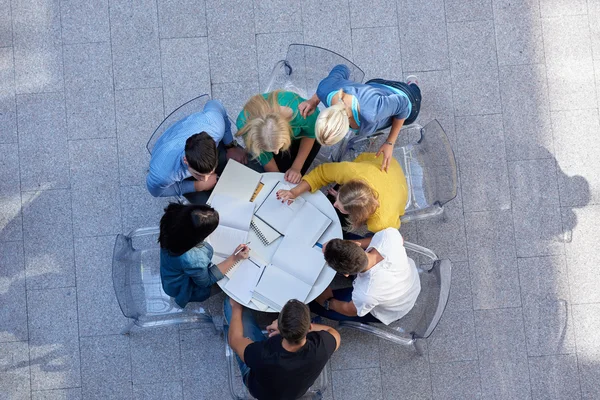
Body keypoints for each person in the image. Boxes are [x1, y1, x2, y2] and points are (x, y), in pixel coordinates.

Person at [298, 64, 421, 171]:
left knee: (414, 93)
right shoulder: (324, 90)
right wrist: (313, 100)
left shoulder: (372, 112)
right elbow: (342, 68)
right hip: (375, 85)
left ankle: (413, 84)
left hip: (405, 96)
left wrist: (390, 142)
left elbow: (404, 104)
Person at [225, 297, 341, 400]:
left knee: (230, 304)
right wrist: (299, 329)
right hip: (295, 393)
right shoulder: (321, 348)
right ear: (310, 327)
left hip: (261, 391)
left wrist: (236, 308)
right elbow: (333, 333)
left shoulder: (261, 355)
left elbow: (234, 340)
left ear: (280, 326)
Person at [146, 99, 252, 203]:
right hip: (166, 148)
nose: (206, 179)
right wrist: (198, 186)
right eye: (200, 175)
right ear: (186, 160)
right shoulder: (163, 174)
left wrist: (230, 146)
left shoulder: (215, 126)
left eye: (210, 172)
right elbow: (156, 192)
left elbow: (214, 104)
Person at [310, 228, 420, 325]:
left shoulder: (365, 294)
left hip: (397, 307)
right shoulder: (389, 236)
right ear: (357, 244)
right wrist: (345, 246)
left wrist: (328, 302)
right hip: (409, 280)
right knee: (345, 237)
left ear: (345, 274)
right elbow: (399, 239)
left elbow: (350, 309)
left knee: (313, 302)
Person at [276, 152, 408, 233]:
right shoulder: (349, 171)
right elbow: (321, 173)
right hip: (385, 165)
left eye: (339, 206)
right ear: (349, 183)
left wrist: (357, 243)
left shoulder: (381, 223)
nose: (334, 205)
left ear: (357, 215)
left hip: (397, 187)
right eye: (338, 199)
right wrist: (294, 192)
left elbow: (390, 237)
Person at [159, 203, 249, 308]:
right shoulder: (194, 260)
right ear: (196, 238)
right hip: (185, 287)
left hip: (170, 272)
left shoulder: (172, 219)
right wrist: (234, 258)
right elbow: (206, 281)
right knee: (232, 280)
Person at [236, 90, 321, 184]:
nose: (276, 153)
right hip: (274, 140)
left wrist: (296, 168)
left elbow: (310, 134)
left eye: (278, 148)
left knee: (297, 169)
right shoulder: (243, 125)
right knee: (285, 174)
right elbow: (265, 157)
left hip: (305, 134)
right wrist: (279, 181)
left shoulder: (302, 111)